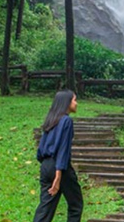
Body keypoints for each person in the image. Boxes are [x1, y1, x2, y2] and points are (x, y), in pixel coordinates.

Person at [33, 89, 83, 222]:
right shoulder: (66, 121)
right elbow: (63, 149)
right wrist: (58, 175)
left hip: (46, 165)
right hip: (60, 167)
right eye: (74, 100)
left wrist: (47, 167)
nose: (77, 103)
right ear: (67, 102)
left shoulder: (51, 120)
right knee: (76, 204)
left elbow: (40, 150)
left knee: (45, 208)